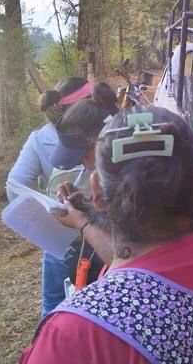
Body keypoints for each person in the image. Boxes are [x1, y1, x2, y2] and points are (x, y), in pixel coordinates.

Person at [20, 106, 193, 364]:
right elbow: (141, 270)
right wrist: (85, 222)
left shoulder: (74, 334)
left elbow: (135, 275)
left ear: (97, 190)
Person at [6, 77, 92, 318]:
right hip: (103, 236)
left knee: (53, 306)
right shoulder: (102, 131)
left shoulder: (39, 139)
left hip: (60, 240)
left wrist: (45, 223)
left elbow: (15, 187)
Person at [37, 82, 119, 317]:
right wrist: (86, 207)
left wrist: (83, 223)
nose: (82, 165)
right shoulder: (112, 177)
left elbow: (128, 261)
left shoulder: (132, 184)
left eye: (82, 157)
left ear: (101, 142)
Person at [6, 77, 92, 201]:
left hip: (62, 215)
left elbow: (15, 185)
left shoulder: (38, 140)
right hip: (106, 216)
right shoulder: (108, 129)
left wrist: (44, 216)